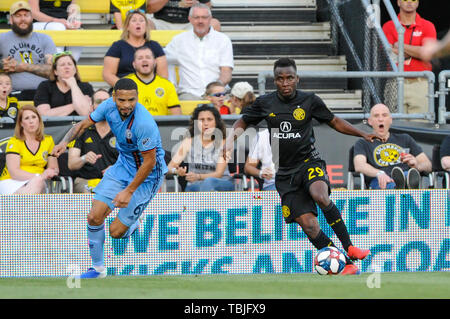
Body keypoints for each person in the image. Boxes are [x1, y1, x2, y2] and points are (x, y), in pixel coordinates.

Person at [225, 58, 382, 275]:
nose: (285, 82)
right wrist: (229, 139)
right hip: (285, 174)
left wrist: (363, 133)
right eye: (280, 79)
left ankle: (350, 246)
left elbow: (334, 121)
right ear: (275, 81)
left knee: (320, 194)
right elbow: (243, 121)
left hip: (309, 162)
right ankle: (345, 264)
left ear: (297, 78)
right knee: (309, 225)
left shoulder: (309, 100)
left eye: (289, 78)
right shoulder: (265, 103)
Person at [52, 78, 168, 279]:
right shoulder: (107, 106)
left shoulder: (144, 123)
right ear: (114, 97)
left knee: (116, 232)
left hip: (148, 175)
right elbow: (82, 125)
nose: (126, 105)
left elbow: (149, 163)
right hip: (123, 166)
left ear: (137, 98)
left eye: (131, 100)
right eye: (121, 99)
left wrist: (128, 191)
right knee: (94, 217)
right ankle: (97, 270)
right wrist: (64, 142)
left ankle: (133, 222)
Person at [353, 103, 432, 189]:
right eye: (376, 116)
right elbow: (359, 165)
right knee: (390, 184)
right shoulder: (363, 143)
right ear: (370, 121)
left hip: (406, 175)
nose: (380, 119)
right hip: (380, 181)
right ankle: (400, 187)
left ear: (390, 120)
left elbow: (428, 165)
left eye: (384, 115)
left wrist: (416, 165)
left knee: (406, 177)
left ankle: (403, 185)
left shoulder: (405, 139)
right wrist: (379, 173)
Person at [164, 3, 233, 100]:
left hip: (218, 93)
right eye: (196, 17)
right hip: (189, 94)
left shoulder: (223, 40)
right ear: (190, 19)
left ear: (210, 19)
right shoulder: (178, 41)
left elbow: (226, 72)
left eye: (204, 17)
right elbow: (161, 59)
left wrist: (215, 89)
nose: (200, 21)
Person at [382, 0, 437, 116]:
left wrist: (400, 45)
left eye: (413, 0)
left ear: (417, 3)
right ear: (398, 2)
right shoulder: (388, 26)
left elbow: (427, 53)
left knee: (420, 125)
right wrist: (417, 50)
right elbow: (388, 54)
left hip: (420, 82)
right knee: (394, 126)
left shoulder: (428, 26)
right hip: (394, 82)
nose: (409, 2)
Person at [167, 104, 233, 192]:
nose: (205, 123)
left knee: (208, 182)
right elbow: (169, 167)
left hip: (222, 183)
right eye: (201, 120)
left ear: (216, 122)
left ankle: (205, 205)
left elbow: (219, 173)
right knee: (195, 187)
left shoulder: (224, 142)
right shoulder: (188, 141)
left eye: (209, 119)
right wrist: (176, 171)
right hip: (195, 185)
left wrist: (198, 176)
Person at [0, 1, 57, 101]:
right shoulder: (1, 39)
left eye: (26, 15)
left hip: (42, 93)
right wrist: (1, 65)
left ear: (32, 18)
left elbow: (53, 71)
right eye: (18, 15)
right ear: (11, 19)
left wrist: (23, 66)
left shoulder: (45, 39)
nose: (23, 19)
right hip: (12, 93)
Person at [68, 89, 119, 193]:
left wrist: (117, 169)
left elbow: (134, 162)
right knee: (92, 191)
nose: (104, 105)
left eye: (107, 101)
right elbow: (71, 164)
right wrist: (84, 158)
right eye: (99, 102)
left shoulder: (122, 130)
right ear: (92, 107)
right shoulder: (79, 129)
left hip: (115, 181)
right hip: (86, 181)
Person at [0, 104, 59, 194]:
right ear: (21, 123)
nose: (31, 121)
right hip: (11, 181)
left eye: (34, 117)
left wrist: (50, 172)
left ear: (39, 120)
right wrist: (39, 176)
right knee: (37, 182)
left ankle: (23, 206)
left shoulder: (48, 140)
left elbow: (53, 168)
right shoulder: (15, 141)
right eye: (27, 118)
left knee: (38, 183)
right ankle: (25, 206)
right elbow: (14, 172)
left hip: (38, 181)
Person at [103, 9, 168, 88]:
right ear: (127, 27)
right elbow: (108, 74)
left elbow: (163, 76)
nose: (138, 23)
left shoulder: (155, 46)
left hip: (150, 90)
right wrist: (127, 88)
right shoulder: (118, 46)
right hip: (124, 90)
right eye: (134, 21)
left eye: (141, 20)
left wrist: (149, 89)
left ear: (146, 26)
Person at [125, 46, 181, 116]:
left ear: (155, 62)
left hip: (159, 126)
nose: (144, 60)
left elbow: (177, 116)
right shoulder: (124, 84)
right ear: (134, 64)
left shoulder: (167, 85)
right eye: (140, 58)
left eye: (148, 57)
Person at [34, 51, 93, 117]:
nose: (66, 67)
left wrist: (73, 85)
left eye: (70, 64)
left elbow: (86, 114)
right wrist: (75, 105)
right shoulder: (45, 86)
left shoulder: (86, 87)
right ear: (55, 71)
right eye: (62, 65)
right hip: (53, 126)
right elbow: (44, 115)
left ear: (75, 70)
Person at [147, 0, 221, 31]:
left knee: (214, 24)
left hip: (189, 25)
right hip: (161, 23)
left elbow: (207, 8)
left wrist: (197, 4)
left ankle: (204, 59)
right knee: (144, 24)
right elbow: (149, 9)